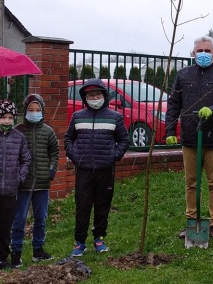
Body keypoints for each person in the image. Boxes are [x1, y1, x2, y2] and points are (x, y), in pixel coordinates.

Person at [165, 35, 213, 239]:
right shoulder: (183, 75)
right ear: (193, 53)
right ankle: (192, 220)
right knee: (191, 182)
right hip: (190, 136)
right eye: (200, 51)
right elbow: (173, 104)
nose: (204, 54)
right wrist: (170, 131)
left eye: (208, 51)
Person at [64, 78, 130, 257]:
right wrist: (75, 156)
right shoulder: (77, 116)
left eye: (97, 94)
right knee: (82, 207)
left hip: (105, 170)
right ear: (85, 98)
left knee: (102, 206)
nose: (94, 98)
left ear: (104, 95)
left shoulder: (114, 117)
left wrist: (113, 157)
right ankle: (79, 242)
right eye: (90, 95)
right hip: (84, 170)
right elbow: (68, 138)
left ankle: (99, 239)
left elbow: (124, 140)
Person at [10, 94, 59, 268]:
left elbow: (54, 152)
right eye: (30, 110)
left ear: (43, 111)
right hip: (22, 184)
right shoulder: (17, 131)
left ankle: (38, 249)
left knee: (41, 217)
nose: (34, 113)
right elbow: (11, 155)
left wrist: (51, 169)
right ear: (25, 111)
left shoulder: (48, 131)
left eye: (37, 110)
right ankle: (15, 252)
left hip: (42, 184)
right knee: (19, 218)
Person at [0, 100, 31, 274]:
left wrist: (19, 178)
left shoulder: (19, 137)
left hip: (11, 190)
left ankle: (3, 259)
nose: (6, 121)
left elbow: (26, 159)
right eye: (3, 117)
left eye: (10, 118)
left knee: (6, 228)